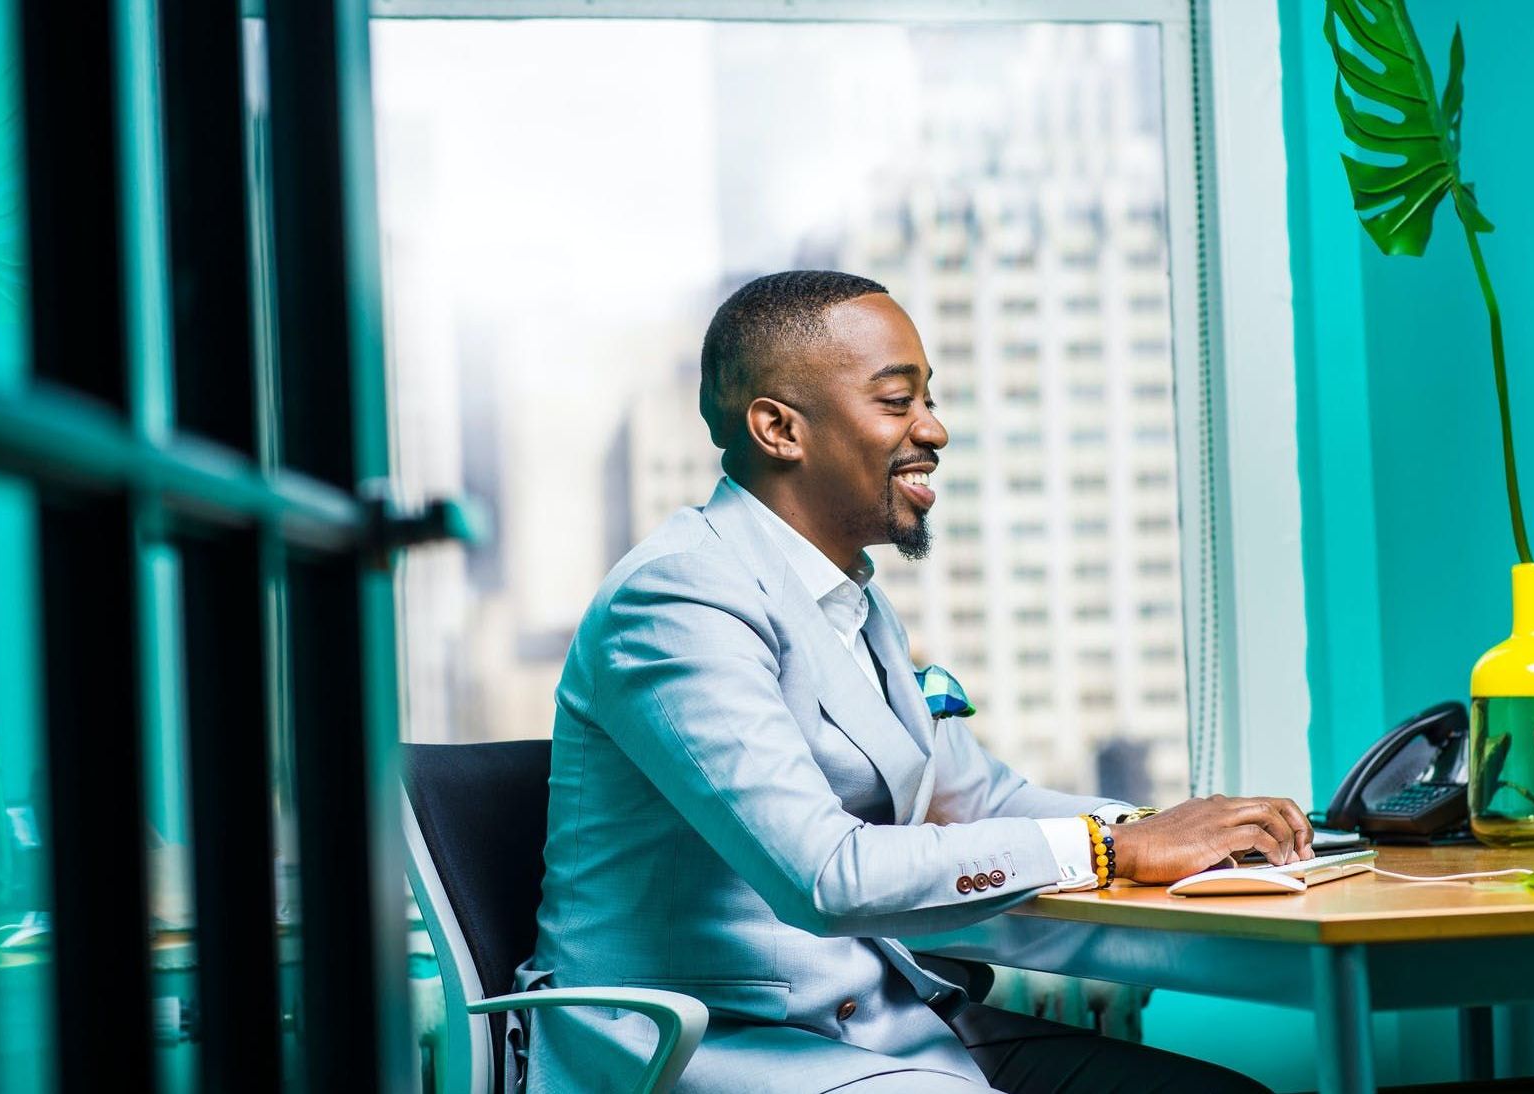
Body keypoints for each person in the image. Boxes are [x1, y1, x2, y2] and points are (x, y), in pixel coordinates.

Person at [516, 271, 1310, 1092]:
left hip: (883, 1033)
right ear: (780, 428)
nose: (934, 429)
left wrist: (1168, 829)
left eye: (928, 400)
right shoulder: (677, 598)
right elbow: (826, 875)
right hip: (704, 1046)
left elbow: (980, 801)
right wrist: (1111, 849)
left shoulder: (846, 598)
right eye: (897, 402)